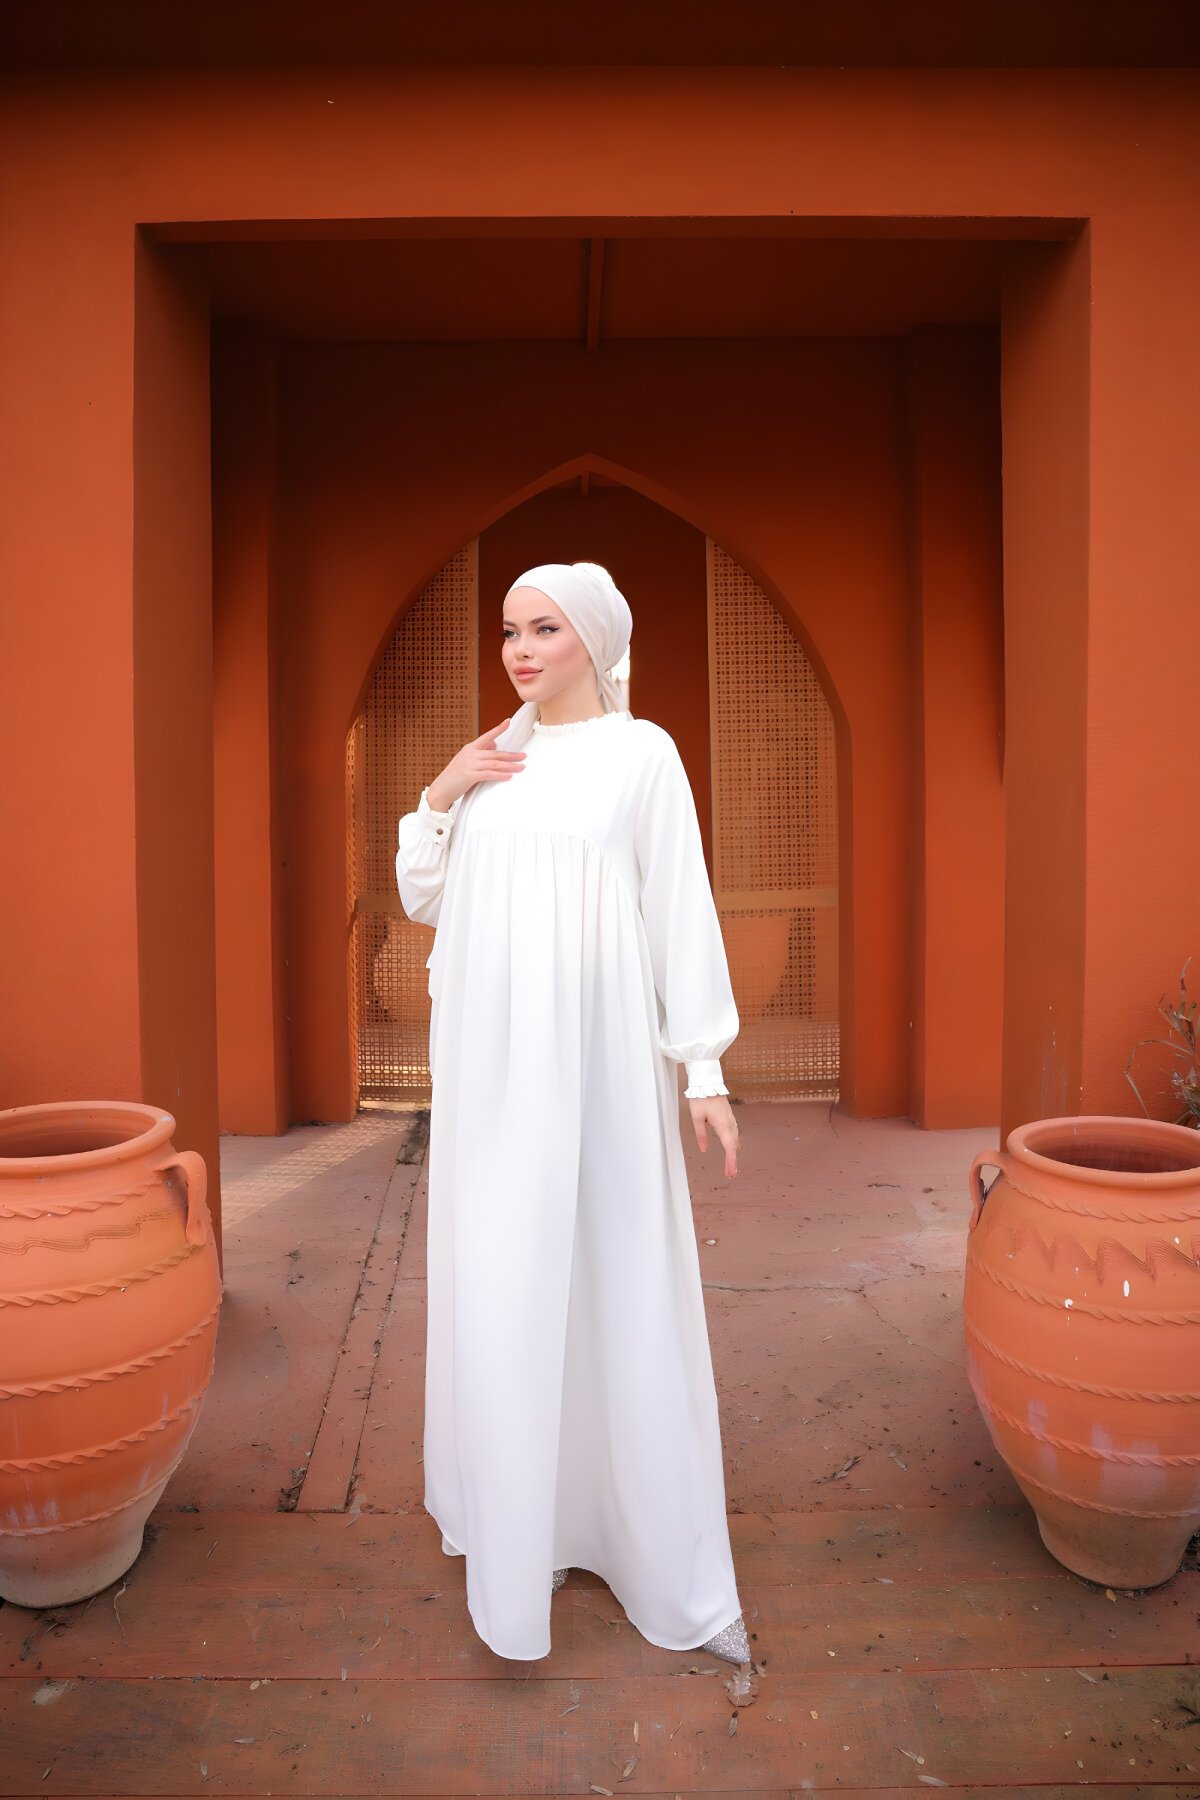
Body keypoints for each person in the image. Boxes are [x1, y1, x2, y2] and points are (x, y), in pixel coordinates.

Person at [395, 559, 750, 1665]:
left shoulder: (643, 756)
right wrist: (444, 789)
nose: (520, 649)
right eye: (509, 630)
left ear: (593, 638)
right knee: (507, 1281)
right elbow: (427, 897)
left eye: (544, 629)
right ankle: (524, 1525)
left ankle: (642, 1540)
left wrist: (702, 1069)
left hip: (599, 1069)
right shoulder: (494, 758)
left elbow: (677, 906)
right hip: (492, 1076)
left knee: (613, 1270)